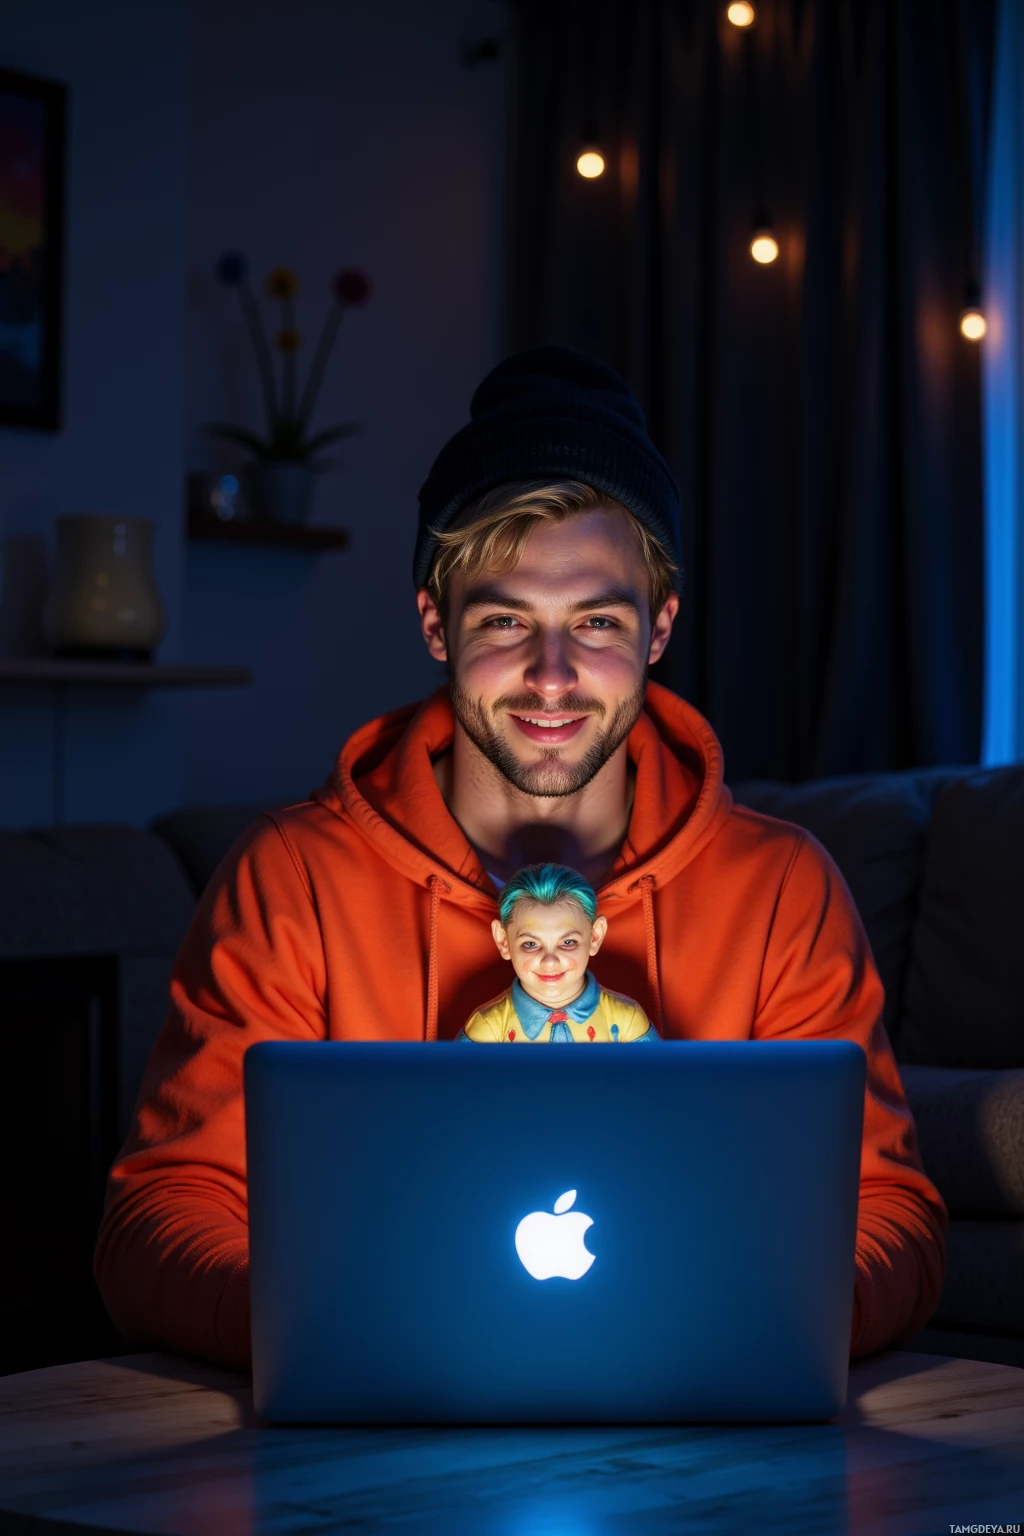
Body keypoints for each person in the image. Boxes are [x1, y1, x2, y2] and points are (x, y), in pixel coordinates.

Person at [94, 345, 947, 1372]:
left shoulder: (783, 889)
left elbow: (889, 1209)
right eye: (506, 622)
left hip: (702, 1428)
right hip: (369, 1438)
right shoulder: (289, 879)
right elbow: (159, 1218)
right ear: (435, 625)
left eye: (596, 621)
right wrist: (336, 1329)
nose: (553, 678)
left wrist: (763, 1324)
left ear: (659, 628)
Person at [458, 861, 656, 1042]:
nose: (550, 962)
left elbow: (658, 1079)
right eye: (530, 944)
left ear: (595, 936)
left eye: (568, 942)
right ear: (503, 940)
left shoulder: (626, 1021)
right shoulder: (487, 1028)